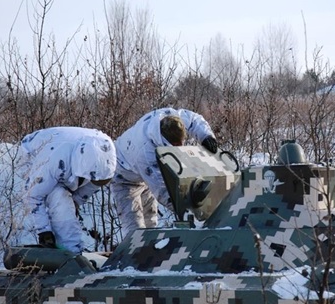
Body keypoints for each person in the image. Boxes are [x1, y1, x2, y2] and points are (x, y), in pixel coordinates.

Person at [111, 108, 218, 240]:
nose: (179, 147)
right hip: (123, 177)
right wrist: (190, 211)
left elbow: (194, 119)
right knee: (135, 232)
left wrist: (206, 136)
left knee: (150, 224)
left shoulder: (172, 118)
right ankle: (135, 256)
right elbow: (163, 191)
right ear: (163, 140)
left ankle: (150, 253)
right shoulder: (146, 153)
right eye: (175, 145)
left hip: (142, 175)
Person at [18, 126, 116, 255]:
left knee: (67, 206)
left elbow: (93, 185)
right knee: (60, 199)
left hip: (69, 161)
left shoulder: (104, 154)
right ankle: (71, 253)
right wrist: (43, 230)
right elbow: (32, 195)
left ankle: (70, 251)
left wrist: (76, 203)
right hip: (32, 156)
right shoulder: (52, 162)